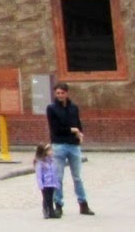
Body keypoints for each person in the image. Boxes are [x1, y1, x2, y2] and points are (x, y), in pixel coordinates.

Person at [45, 83, 93, 216]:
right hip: (59, 145)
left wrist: (79, 133)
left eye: (62, 93)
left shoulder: (74, 108)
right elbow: (55, 128)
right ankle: (58, 205)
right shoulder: (51, 108)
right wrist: (73, 130)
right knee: (58, 177)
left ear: (67, 93)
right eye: (58, 93)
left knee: (77, 177)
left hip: (73, 145)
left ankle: (83, 204)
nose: (60, 95)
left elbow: (78, 123)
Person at [34, 143, 60, 219]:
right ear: (44, 152)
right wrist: (40, 184)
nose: (52, 152)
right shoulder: (40, 163)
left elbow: (54, 173)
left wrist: (56, 182)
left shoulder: (52, 161)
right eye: (50, 150)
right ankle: (45, 210)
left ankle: (51, 211)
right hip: (45, 184)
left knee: (51, 198)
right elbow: (39, 175)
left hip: (52, 183)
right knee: (46, 198)